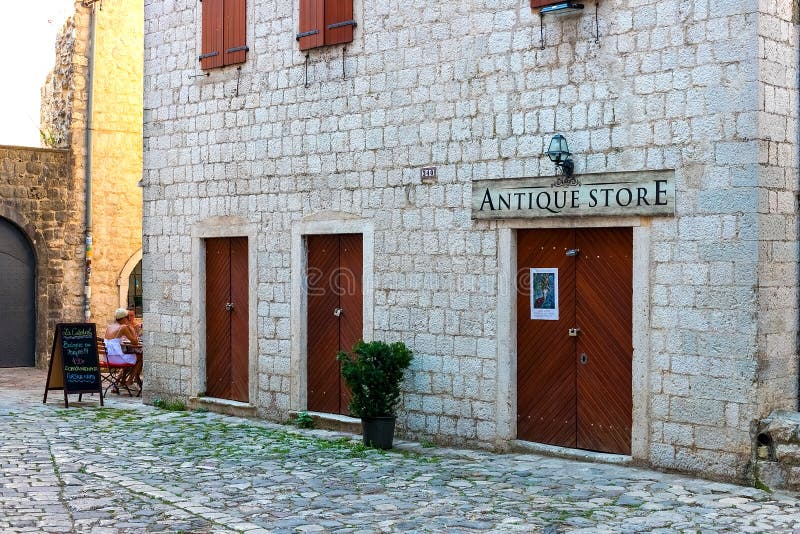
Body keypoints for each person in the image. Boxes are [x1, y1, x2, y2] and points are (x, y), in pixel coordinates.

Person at [104, 307, 141, 390]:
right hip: (116, 359)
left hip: (107, 358)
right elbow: (135, 342)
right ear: (124, 318)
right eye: (128, 317)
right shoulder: (123, 327)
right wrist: (131, 328)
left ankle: (120, 382)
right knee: (139, 358)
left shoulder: (109, 327)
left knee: (129, 357)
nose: (128, 319)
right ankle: (129, 381)